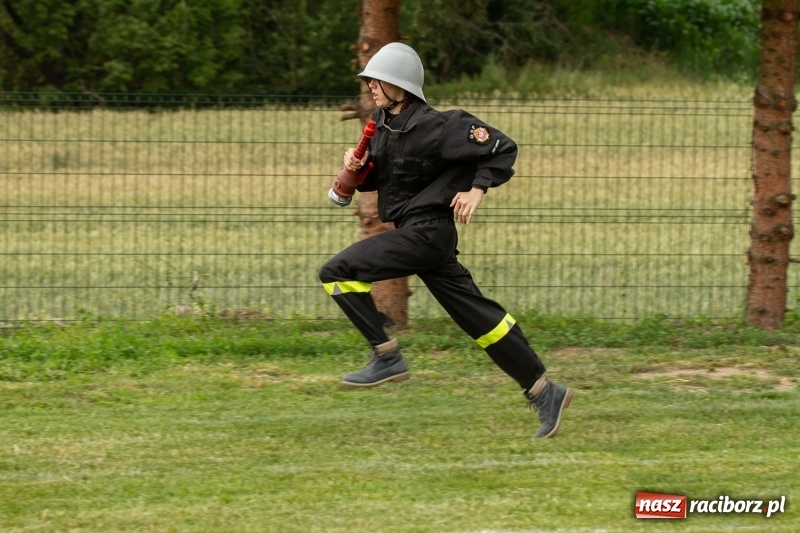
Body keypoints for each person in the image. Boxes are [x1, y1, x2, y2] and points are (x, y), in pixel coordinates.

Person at [319, 42, 572, 438]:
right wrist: (358, 168)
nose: (370, 86)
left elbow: (502, 148)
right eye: (369, 80)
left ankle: (386, 356)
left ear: (400, 86)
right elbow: (389, 182)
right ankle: (545, 391)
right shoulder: (384, 128)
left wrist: (477, 190)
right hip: (416, 234)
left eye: (377, 80)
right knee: (482, 320)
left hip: (429, 232)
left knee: (336, 271)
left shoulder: (443, 125)